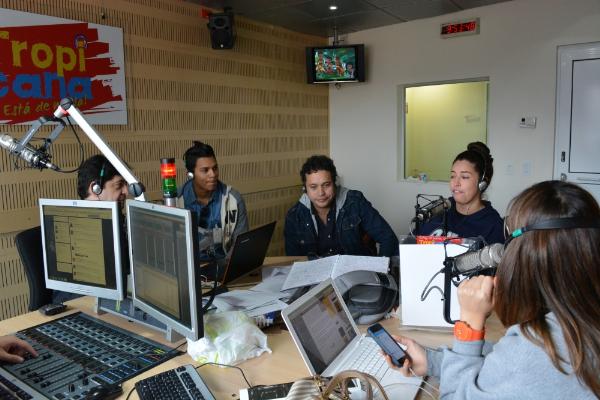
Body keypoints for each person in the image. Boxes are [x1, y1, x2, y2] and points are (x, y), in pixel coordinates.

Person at [385, 181, 600, 399]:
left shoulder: (537, 349)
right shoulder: (574, 325)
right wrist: (432, 362)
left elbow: (459, 392)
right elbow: (503, 362)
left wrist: (469, 323)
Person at [284, 155, 399, 258]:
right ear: (305, 189)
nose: (321, 193)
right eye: (313, 187)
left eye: (326, 185)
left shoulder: (355, 202)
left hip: (357, 271)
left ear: (335, 183)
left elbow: (388, 238)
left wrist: (379, 269)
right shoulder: (294, 216)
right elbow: (293, 260)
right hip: (317, 274)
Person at [416, 141, 504, 244]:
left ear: (482, 183)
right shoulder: (438, 209)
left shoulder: (493, 226)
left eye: (464, 177)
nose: (456, 183)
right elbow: (411, 243)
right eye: (453, 176)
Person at [177, 141, 249, 260]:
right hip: (186, 266)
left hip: (223, 265)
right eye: (205, 170)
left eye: (215, 168)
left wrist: (226, 268)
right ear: (190, 175)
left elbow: (240, 245)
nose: (213, 174)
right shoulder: (176, 200)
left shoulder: (233, 199)